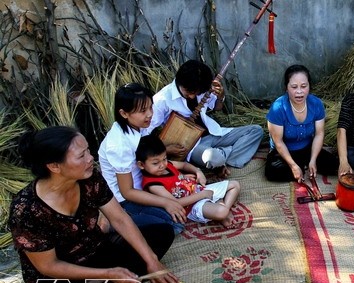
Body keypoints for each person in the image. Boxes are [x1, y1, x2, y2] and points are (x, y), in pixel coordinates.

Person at [9, 126, 179, 283]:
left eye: (88, 151)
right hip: (57, 277)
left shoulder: (89, 178)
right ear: (54, 166)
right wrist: (107, 274)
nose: (91, 158)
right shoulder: (26, 210)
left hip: (96, 252)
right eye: (81, 155)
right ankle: (115, 282)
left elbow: (120, 218)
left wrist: (152, 260)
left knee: (162, 233)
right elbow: (49, 266)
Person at [149, 59, 263, 176]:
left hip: (212, 133)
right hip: (192, 146)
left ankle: (224, 158)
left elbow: (217, 107)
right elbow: (146, 133)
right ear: (179, 82)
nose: (193, 96)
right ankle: (224, 156)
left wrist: (220, 96)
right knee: (213, 157)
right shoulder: (162, 100)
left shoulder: (201, 87)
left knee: (256, 131)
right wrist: (166, 150)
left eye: (197, 93)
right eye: (189, 92)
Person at [99, 83, 186, 234]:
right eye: (142, 110)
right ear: (124, 113)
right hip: (125, 198)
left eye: (151, 107)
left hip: (146, 181)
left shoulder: (139, 125)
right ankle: (112, 221)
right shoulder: (119, 145)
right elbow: (127, 192)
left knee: (178, 211)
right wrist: (165, 202)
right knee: (173, 225)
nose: (150, 114)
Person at [136, 135, 241, 227]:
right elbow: (176, 203)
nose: (162, 165)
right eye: (155, 163)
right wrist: (203, 195)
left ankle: (222, 207)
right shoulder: (153, 184)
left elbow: (184, 165)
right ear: (141, 165)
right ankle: (223, 210)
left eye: (164, 159)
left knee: (235, 185)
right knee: (221, 211)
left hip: (199, 189)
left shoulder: (166, 165)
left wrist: (198, 172)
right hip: (192, 205)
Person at [265, 64, 338, 182]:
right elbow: (278, 142)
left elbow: (319, 134)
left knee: (335, 165)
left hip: (307, 148)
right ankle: (299, 167)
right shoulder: (277, 108)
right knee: (272, 172)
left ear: (309, 86)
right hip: (284, 151)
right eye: (294, 87)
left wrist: (313, 159)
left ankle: (306, 164)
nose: (299, 92)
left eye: (304, 86)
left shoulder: (316, 104)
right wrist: (293, 166)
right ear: (286, 87)